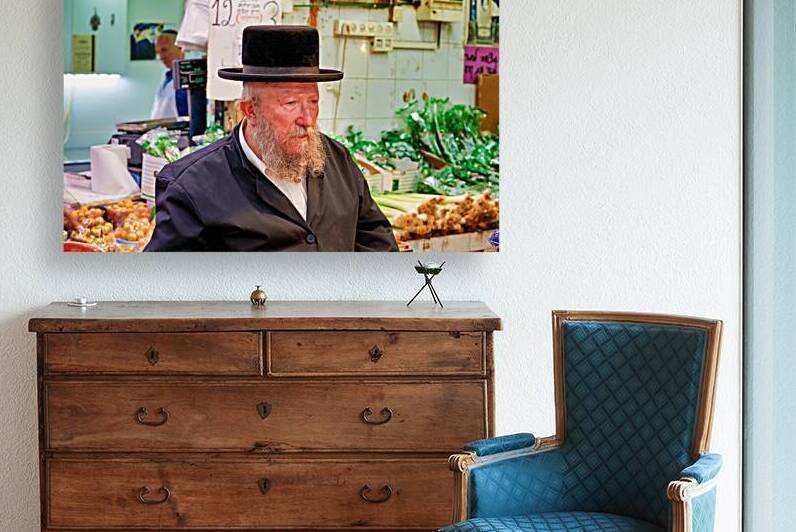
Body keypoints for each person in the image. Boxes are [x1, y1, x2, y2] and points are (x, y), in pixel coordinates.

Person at [145, 25, 398, 252]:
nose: (307, 119)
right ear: (250, 110)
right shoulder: (191, 187)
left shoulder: (338, 160)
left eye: (313, 102)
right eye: (290, 103)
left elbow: (377, 243)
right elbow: (168, 291)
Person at [150, 30, 189, 119]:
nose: (161, 57)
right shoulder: (168, 77)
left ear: (181, 48)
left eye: (164, 50)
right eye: (158, 52)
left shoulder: (187, 78)